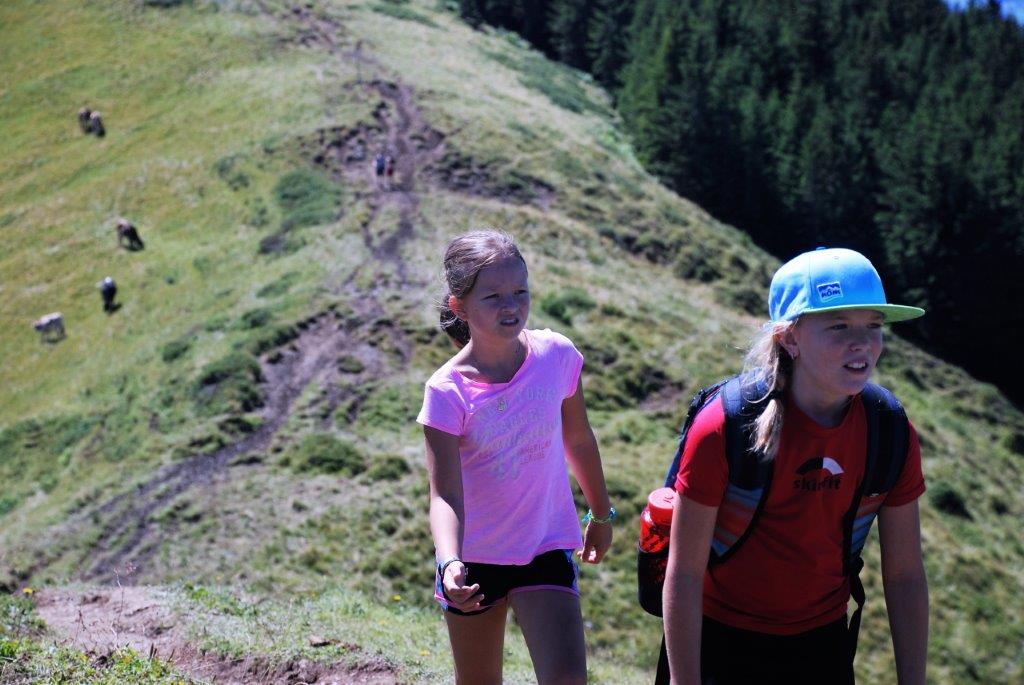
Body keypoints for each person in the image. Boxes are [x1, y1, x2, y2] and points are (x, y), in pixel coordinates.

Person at [663, 247, 929, 685]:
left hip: (821, 648)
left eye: (874, 325)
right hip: (716, 642)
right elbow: (685, 573)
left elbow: (905, 575)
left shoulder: (890, 430)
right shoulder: (724, 427)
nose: (862, 342)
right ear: (790, 339)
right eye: (839, 325)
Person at [418, 230, 614, 685]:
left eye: (520, 291)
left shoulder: (557, 355)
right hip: (474, 562)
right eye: (493, 297)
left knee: (567, 680)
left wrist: (601, 515)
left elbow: (579, 440)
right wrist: (449, 562)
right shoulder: (446, 392)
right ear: (460, 307)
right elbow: (444, 496)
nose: (511, 306)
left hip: (545, 544)